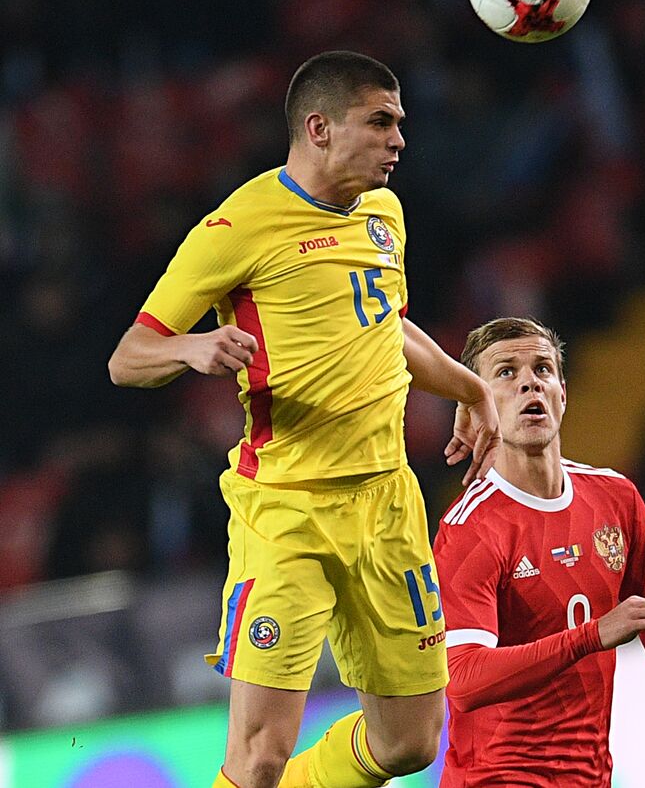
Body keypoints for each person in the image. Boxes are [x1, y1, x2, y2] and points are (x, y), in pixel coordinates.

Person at [107, 50, 502, 788]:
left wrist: (471, 389)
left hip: (387, 506)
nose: (399, 140)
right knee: (258, 756)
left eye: (400, 123)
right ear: (318, 128)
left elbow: (389, 326)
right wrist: (194, 347)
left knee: (411, 742)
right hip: (287, 510)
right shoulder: (237, 226)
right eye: (380, 122)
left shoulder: (386, 214)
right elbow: (128, 356)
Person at [432, 317, 645, 787]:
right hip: (498, 779)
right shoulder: (470, 529)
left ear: (562, 392)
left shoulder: (615, 497)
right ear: (478, 404)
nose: (529, 382)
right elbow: (463, 680)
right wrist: (594, 634)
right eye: (506, 372)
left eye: (542, 369)